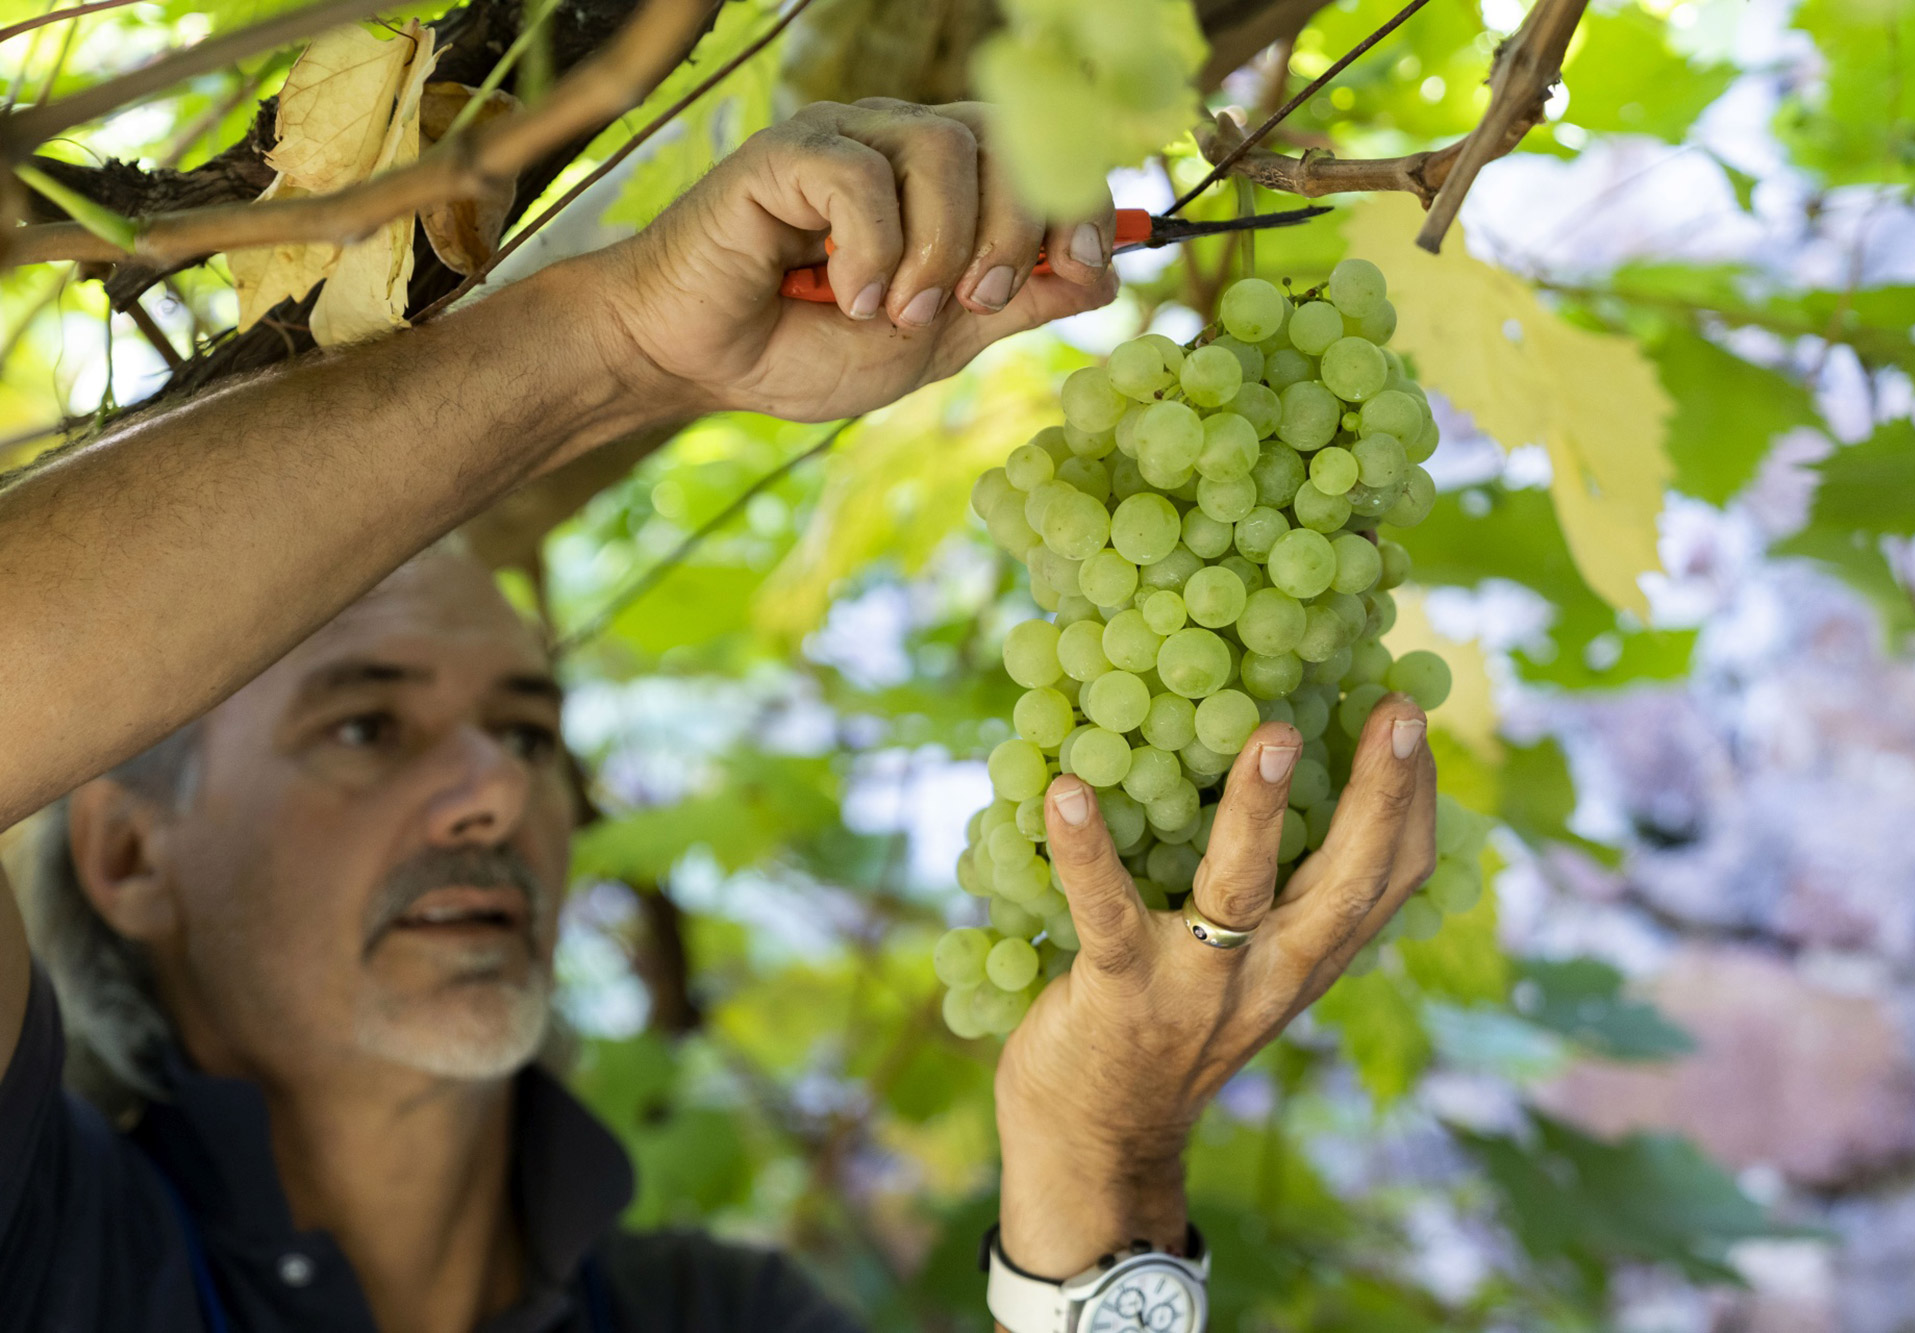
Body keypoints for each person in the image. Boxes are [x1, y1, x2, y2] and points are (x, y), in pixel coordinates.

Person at [0, 99, 1436, 1332]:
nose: (497, 794)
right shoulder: (43, 1253)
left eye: (529, 730)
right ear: (128, 856)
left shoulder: (712, 1315)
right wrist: (612, 343)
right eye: (364, 727)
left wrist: (1099, 1160)